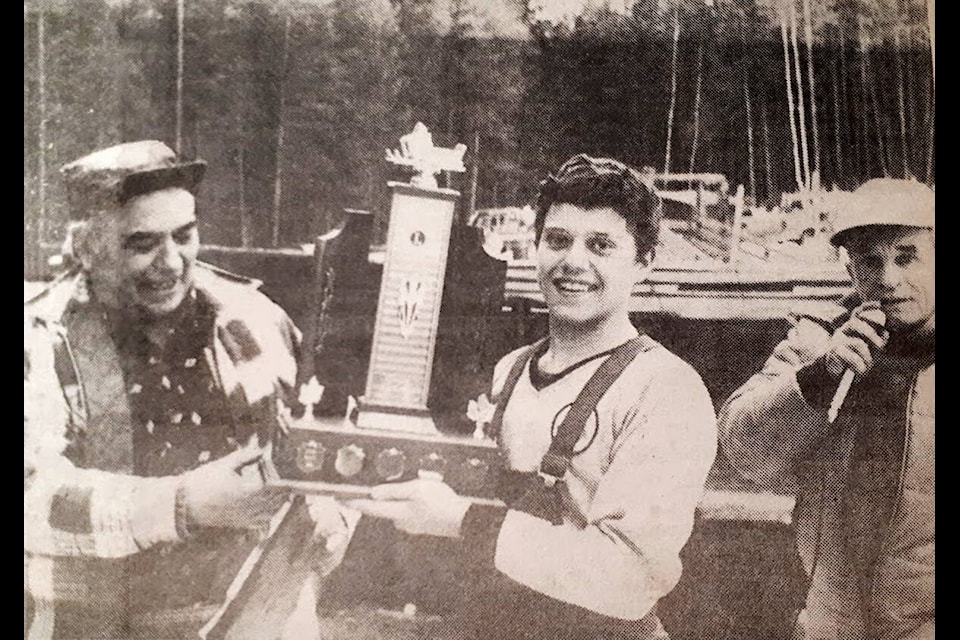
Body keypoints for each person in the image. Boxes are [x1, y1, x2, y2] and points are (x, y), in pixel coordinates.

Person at [347, 154, 718, 639]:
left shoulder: (666, 389)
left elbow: (629, 576)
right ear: (536, 247)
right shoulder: (512, 369)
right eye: (558, 240)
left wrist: (460, 520)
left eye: (601, 245)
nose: (573, 262)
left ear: (644, 263)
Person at [23, 140, 339, 639]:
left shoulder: (253, 315)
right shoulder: (40, 338)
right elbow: (32, 500)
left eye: (184, 236)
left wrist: (327, 513)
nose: (171, 263)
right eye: (141, 243)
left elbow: (316, 446)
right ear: (87, 249)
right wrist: (182, 504)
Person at [718, 178, 934, 640]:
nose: (888, 279)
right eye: (870, 261)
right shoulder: (819, 342)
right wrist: (820, 376)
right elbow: (745, 454)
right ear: (851, 268)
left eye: (906, 257)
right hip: (834, 619)